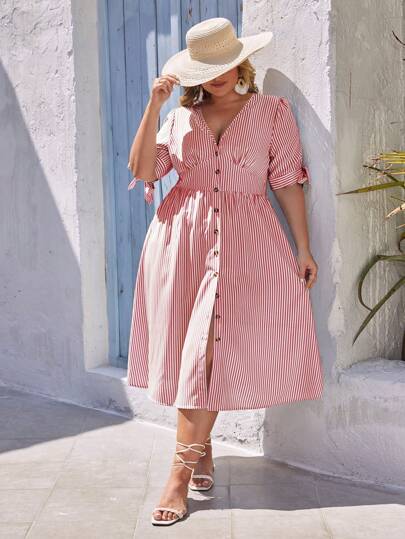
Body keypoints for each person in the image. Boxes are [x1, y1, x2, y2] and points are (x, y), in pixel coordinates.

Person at [126, 17, 323, 526]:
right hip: (180, 243)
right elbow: (144, 170)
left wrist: (303, 247)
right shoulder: (179, 118)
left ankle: (177, 476)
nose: (217, 76)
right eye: (206, 68)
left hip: (245, 243)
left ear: (241, 62)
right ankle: (202, 453)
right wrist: (153, 106)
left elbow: (286, 181)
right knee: (193, 352)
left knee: (208, 349)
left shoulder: (272, 112)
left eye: (225, 64)